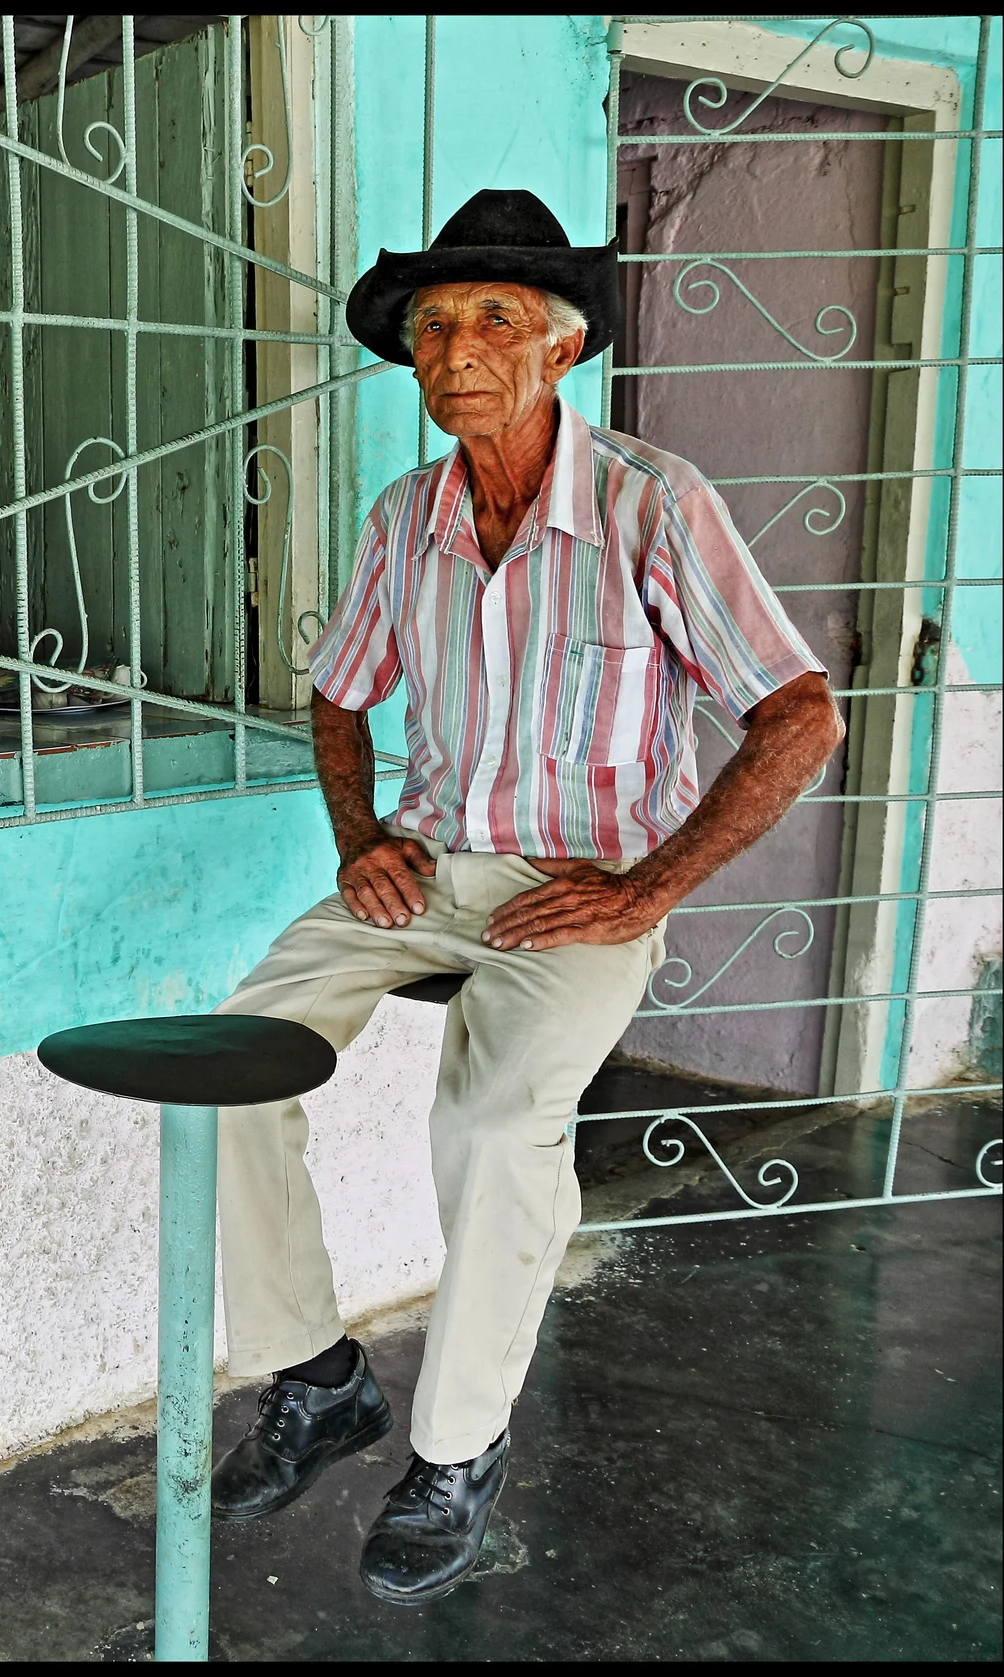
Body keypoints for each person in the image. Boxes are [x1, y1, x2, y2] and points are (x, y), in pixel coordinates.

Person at [203, 190, 844, 1605]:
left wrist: (647, 888)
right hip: (429, 865)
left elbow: (800, 717)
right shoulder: (407, 517)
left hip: (582, 880)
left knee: (496, 1121)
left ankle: (457, 1444)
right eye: (433, 325)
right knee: (234, 1064)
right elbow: (336, 695)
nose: (454, 349)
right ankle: (317, 1378)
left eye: (493, 319)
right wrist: (360, 833)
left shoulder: (650, 502)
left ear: (559, 353)